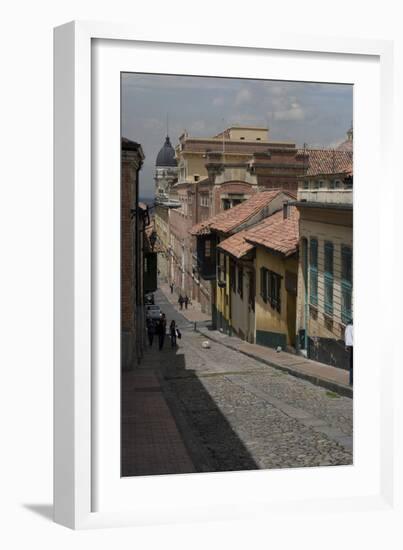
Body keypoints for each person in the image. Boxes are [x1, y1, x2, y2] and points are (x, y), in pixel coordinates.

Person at [345, 319, 353, 386]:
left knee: (351, 364)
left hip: (350, 346)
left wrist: (346, 346)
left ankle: (351, 381)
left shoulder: (347, 328)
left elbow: (346, 337)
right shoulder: (352, 327)